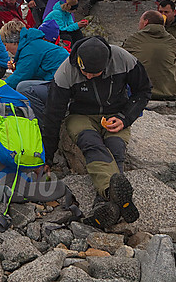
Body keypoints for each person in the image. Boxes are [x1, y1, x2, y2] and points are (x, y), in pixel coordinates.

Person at [39, 36, 151, 229]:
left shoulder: (123, 59)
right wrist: (47, 157)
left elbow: (143, 90)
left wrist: (125, 117)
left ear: (107, 63)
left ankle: (106, 203)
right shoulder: (65, 73)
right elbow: (53, 116)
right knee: (91, 143)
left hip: (115, 113)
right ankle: (114, 197)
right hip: (80, 116)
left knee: (116, 147)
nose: (89, 76)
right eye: (85, 72)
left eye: (95, 73)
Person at [0, 20, 69, 118]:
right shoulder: (33, 44)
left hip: (62, 88)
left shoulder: (30, 49)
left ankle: (45, 119)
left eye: (6, 45)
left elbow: (20, 76)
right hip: (61, 83)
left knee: (23, 87)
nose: (6, 49)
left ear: (14, 42)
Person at [123, 10, 176, 100]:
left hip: (139, 89)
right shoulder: (171, 40)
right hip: (167, 92)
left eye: (140, 21)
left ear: (145, 22)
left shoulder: (133, 39)